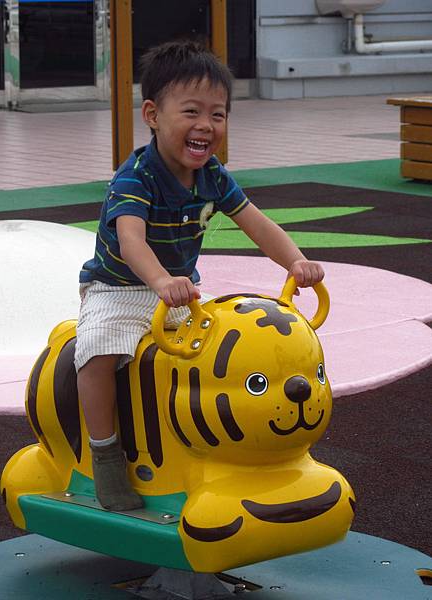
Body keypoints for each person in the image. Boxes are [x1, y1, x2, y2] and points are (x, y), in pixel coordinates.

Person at [75, 40, 324, 512]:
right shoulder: (136, 177)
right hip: (120, 286)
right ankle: (104, 451)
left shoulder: (213, 175)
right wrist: (160, 282)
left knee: (216, 356)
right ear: (152, 114)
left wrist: (294, 261)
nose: (206, 126)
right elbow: (131, 242)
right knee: (98, 351)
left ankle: (205, 449)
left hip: (178, 291)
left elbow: (257, 222)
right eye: (191, 112)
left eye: (218, 114)